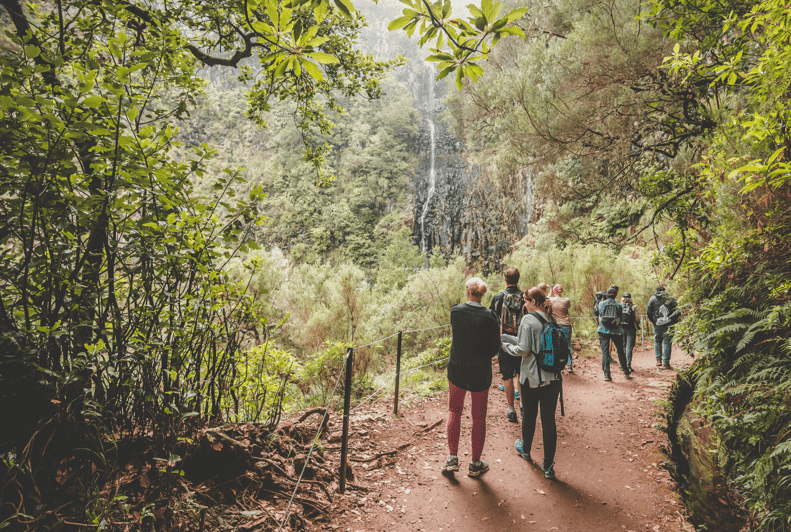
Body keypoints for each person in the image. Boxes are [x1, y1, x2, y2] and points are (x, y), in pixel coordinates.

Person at [442, 277, 501, 477]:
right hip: (480, 371)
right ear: (482, 293)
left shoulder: (455, 311)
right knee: (478, 418)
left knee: (454, 411)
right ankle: (475, 463)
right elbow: (495, 348)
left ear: (467, 290)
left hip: (457, 368)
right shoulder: (490, 316)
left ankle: (452, 459)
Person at [501, 287, 562, 479]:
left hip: (532, 378)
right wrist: (508, 338)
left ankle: (526, 449)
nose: (523, 305)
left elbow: (523, 348)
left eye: (525, 301)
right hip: (553, 378)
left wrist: (505, 346)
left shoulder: (528, 319)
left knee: (529, 415)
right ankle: (548, 466)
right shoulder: (551, 318)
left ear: (533, 302)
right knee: (549, 420)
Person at [489, 267, 524, 423]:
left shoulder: (498, 298)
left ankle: (511, 409)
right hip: (523, 343)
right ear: (518, 279)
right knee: (521, 374)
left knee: (507, 376)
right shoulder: (525, 297)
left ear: (505, 279)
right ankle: (523, 404)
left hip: (504, 343)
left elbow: (491, 319)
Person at [598, 286, 631, 381]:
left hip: (603, 330)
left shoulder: (601, 304)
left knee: (605, 352)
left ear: (607, 294)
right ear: (616, 294)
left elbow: (600, 315)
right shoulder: (618, 305)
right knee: (620, 350)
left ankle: (607, 375)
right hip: (616, 331)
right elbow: (620, 317)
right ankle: (626, 371)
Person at [646, 286, 678, 370]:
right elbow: (678, 311)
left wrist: (653, 321)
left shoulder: (652, 299)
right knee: (667, 342)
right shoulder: (670, 299)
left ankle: (658, 360)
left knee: (657, 341)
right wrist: (671, 319)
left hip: (657, 324)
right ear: (664, 291)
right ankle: (666, 363)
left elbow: (648, 312)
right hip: (668, 324)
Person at [549, 284, 573, 373]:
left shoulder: (550, 300)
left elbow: (545, 299)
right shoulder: (566, 301)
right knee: (568, 345)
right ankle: (569, 365)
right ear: (562, 291)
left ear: (554, 291)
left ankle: (557, 364)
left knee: (556, 345)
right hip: (566, 325)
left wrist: (550, 293)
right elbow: (568, 307)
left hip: (555, 325)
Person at [620, 292, 640, 373]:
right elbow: (637, 319)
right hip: (631, 329)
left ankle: (622, 365)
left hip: (621, 329)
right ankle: (628, 365)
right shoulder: (634, 307)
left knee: (623, 347)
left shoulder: (620, 306)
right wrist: (637, 325)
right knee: (629, 347)